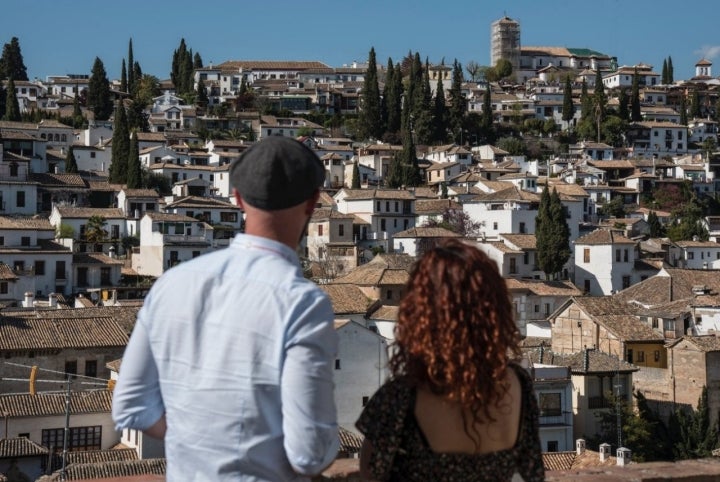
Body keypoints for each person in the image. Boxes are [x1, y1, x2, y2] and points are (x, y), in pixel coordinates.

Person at [112, 136, 339, 481]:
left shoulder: (172, 283)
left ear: (237, 198)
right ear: (313, 202)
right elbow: (308, 455)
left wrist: (202, 441)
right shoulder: (303, 304)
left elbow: (132, 406)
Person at [356, 239, 544, 482]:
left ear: (420, 312)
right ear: (494, 309)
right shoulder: (519, 384)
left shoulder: (399, 398)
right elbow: (533, 473)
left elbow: (370, 474)